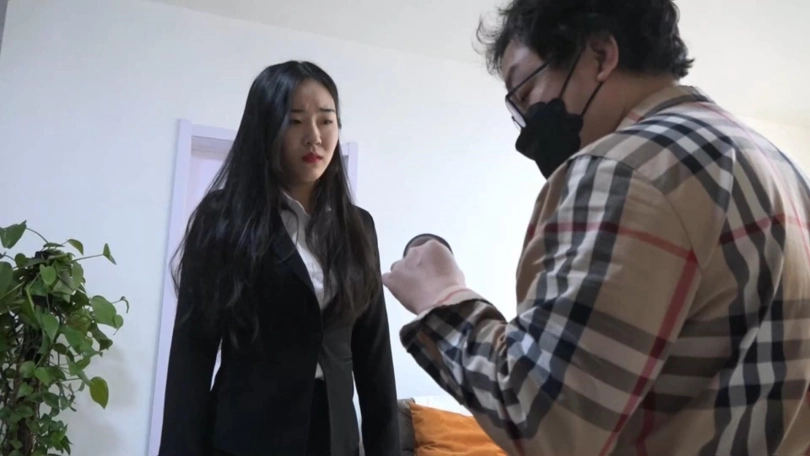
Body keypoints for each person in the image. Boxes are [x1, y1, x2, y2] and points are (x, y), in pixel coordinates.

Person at [382, 1, 810, 455]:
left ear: (601, 56)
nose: (526, 128)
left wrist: (442, 297)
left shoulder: (625, 168)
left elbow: (544, 422)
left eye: (525, 92)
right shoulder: (778, 166)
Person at [159, 61, 400, 456]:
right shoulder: (223, 218)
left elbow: (374, 358)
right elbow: (192, 356)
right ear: (266, 128)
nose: (315, 137)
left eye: (326, 121)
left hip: (334, 439)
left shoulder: (358, 226)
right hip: (247, 438)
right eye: (295, 121)